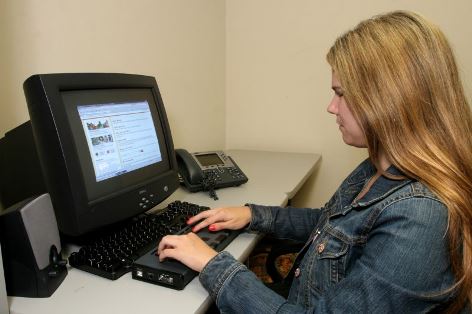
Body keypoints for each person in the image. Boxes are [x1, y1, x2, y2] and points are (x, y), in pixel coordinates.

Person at [158, 10, 472, 313]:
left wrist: (214, 265)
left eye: (341, 94)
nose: (331, 107)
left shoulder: (420, 216)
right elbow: (330, 224)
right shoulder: (380, 168)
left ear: (389, 98)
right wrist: (253, 215)